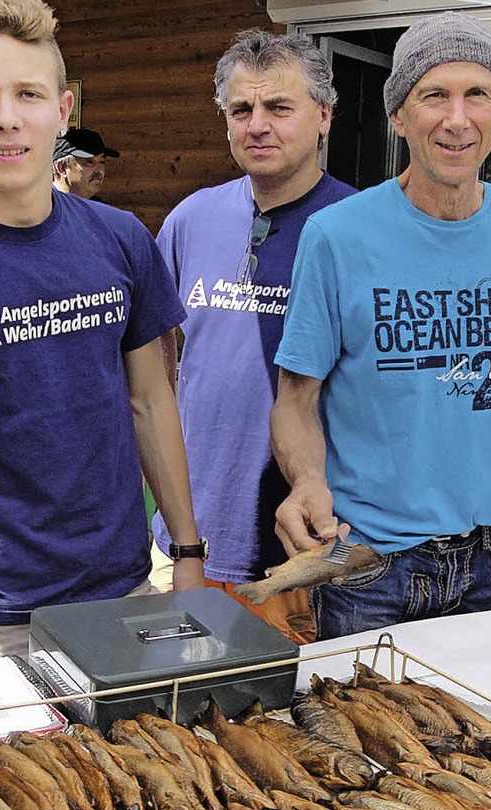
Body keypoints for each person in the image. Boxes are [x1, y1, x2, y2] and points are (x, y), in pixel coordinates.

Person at [0, 0, 204, 666]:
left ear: (62, 111)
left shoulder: (121, 238)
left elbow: (151, 402)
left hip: (125, 595)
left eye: (29, 94)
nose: (7, 116)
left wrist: (186, 554)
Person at [271, 12, 491, 641]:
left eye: (476, 94)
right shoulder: (338, 235)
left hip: (490, 563)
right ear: (399, 116)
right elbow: (295, 399)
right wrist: (308, 481)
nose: (457, 118)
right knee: (361, 739)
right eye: (433, 96)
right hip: (367, 566)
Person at [149, 29, 356, 644]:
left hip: (312, 541)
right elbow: (162, 368)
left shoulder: (360, 228)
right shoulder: (190, 219)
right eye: (242, 110)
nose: (258, 124)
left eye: (279, 107)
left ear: (323, 117)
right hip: (196, 539)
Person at [52, 127, 119, 200]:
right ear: (62, 167)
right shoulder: (43, 206)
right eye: (89, 162)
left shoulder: (98, 208)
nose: (99, 170)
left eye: (101, 162)